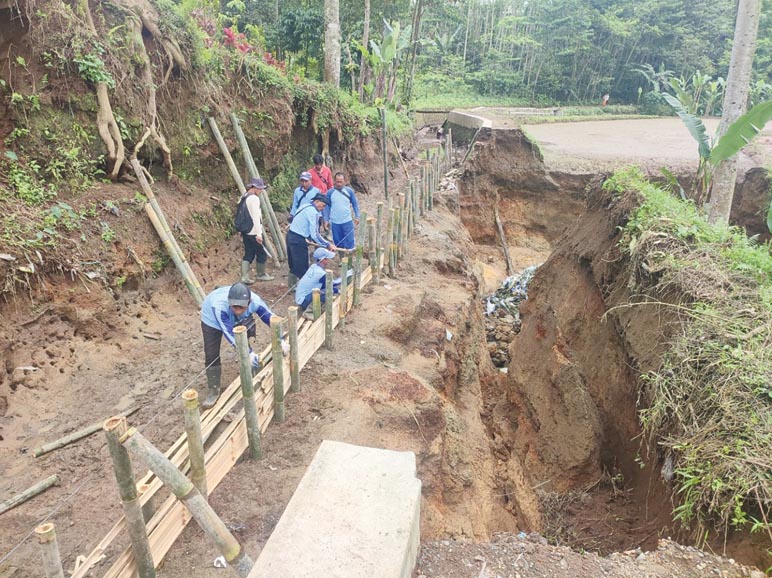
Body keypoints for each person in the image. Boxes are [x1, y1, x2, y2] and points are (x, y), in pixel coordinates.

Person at [200, 282, 284, 408]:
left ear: (249, 302)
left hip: (236, 319)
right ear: (229, 302)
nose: (238, 310)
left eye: (242, 307)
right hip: (211, 321)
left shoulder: (256, 301)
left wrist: (280, 339)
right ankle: (213, 389)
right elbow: (229, 333)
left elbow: (270, 318)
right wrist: (249, 353)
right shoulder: (218, 307)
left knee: (245, 332)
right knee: (212, 354)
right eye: (235, 307)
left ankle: (251, 368)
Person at [285, 193, 336, 288]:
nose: (323, 208)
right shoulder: (313, 212)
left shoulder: (304, 206)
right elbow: (315, 234)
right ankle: (305, 288)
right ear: (317, 202)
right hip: (298, 240)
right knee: (302, 266)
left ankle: (291, 286)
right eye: (323, 205)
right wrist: (327, 244)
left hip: (290, 236)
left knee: (293, 263)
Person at [239, 177, 273, 284]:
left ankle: (244, 277)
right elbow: (256, 218)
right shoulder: (254, 199)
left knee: (248, 253)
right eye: (260, 188)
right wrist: (259, 234)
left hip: (245, 230)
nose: (261, 191)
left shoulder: (244, 196)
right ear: (254, 187)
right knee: (262, 252)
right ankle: (261, 274)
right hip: (254, 231)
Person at [295, 247, 339, 312]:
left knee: (328, 290)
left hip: (300, 298)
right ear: (323, 260)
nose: (329, 260)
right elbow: (332, 284)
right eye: (327, 258)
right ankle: (313, 309)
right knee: (329, 293)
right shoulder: (321, 273)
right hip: (304, 301)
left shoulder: (313, 266)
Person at [323, 172, 360, 250]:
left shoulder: (349, 191)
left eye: (341, 182)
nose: (339, 184)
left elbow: (355, 204)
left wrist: (357, 216)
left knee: (350, 242)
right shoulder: (330, 193)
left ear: (344, 181)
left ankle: (349, 260)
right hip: (335, 223)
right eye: (337, 181)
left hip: (347, 221)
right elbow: (327, 207)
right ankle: (341, 259)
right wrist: (326, 219)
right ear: (334, 181)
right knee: (338, 243)